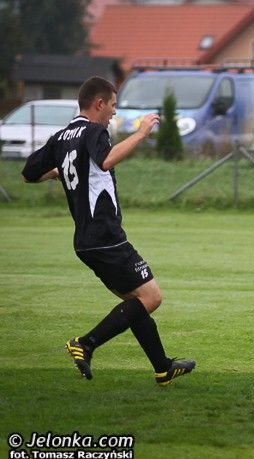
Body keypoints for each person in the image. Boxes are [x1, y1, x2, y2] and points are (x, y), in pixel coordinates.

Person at [21, 76, 195, 386]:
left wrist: (58, 172)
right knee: (151, 297)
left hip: (84, 241)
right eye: (113, 105)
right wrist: (141, 133)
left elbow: (28, 174)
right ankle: (85, 343)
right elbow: (106, 160)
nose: (114, 112)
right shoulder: (94, 130)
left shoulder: (61, 136)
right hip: (105, 236)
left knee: (135, 303)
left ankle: (163, 368)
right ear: (99, 103)